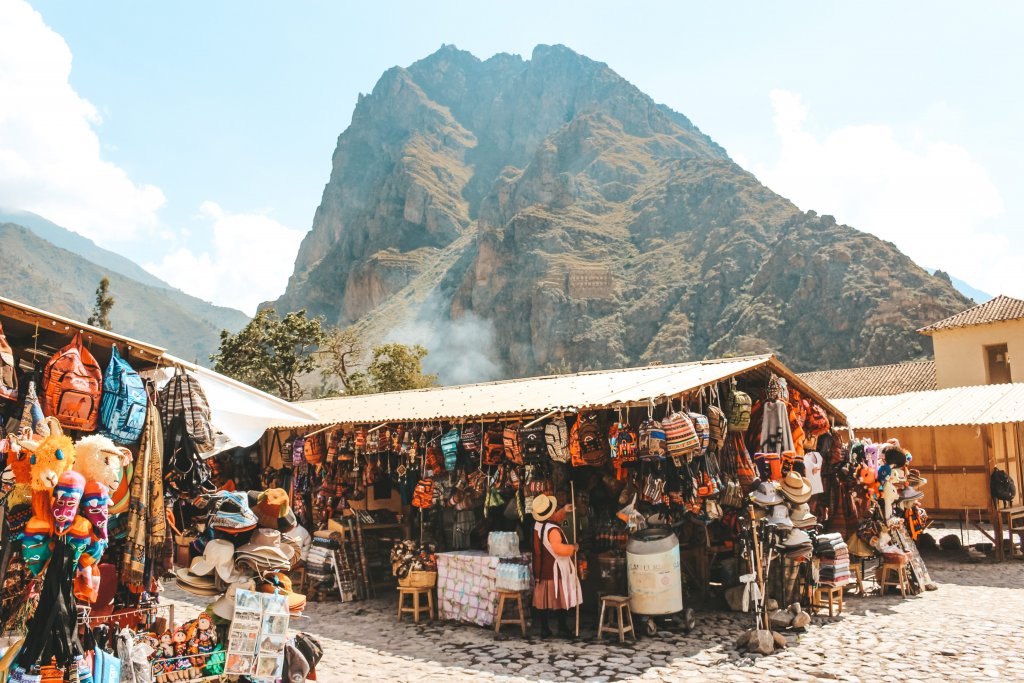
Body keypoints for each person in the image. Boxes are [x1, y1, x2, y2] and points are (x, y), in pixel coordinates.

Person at [531, 493, 582, 638]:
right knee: (561, 598)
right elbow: (558, 549)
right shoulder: (552, 530)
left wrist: (564, 510)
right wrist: (573, 548)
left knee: (544, 601)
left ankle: (544, 628)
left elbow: (552, 519)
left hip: (541, 568)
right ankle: (562, 627)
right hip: (555, 568)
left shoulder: (538, 524)